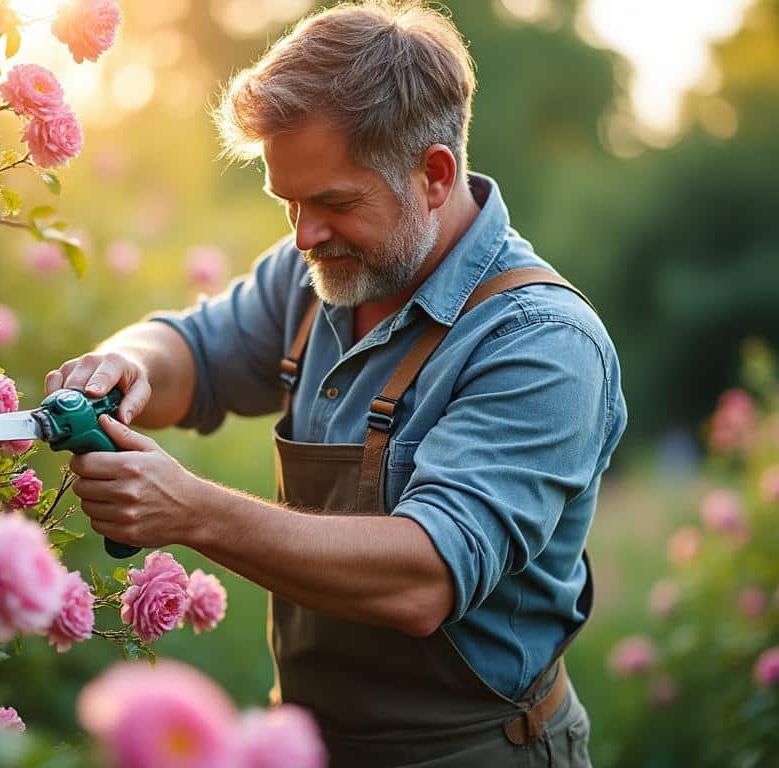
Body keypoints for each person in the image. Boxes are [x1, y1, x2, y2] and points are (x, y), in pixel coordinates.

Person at [47, 2, 626, 765]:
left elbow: (423, 578)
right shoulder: (320, 272)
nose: (301, 235)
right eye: (287, 201)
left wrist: (192, 512)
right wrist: (125, 362)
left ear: (434, 174)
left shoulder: (543, 345)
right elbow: (195, 348)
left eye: (333, 203)